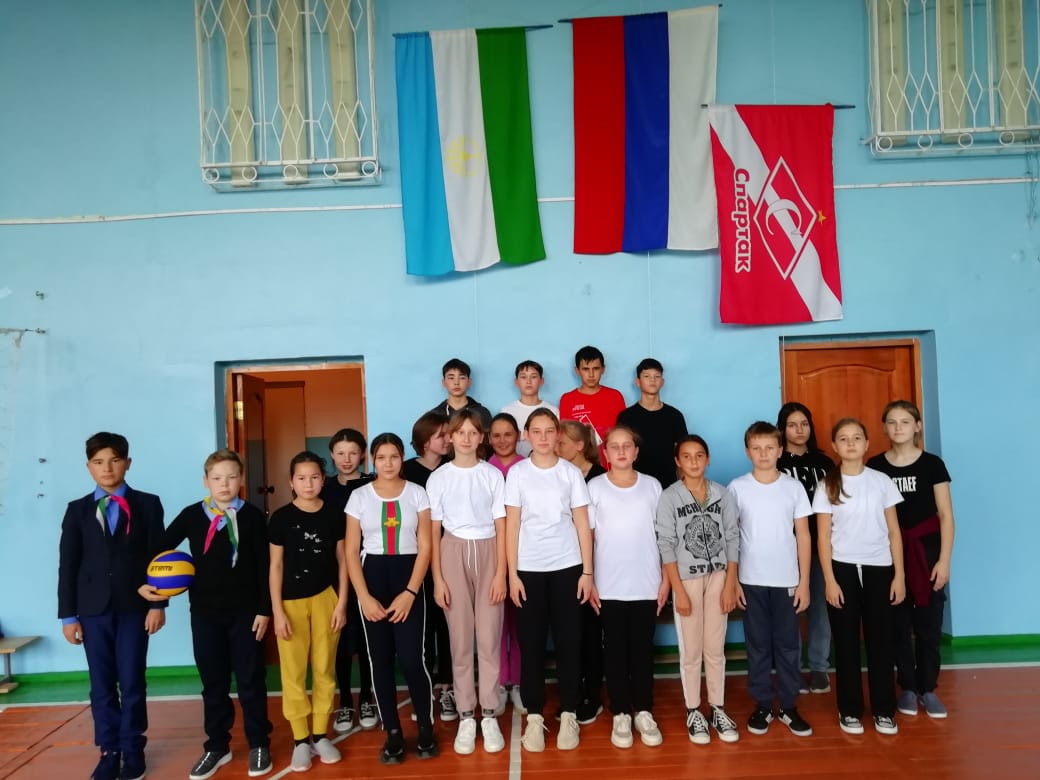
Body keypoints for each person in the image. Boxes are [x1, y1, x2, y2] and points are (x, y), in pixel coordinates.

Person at [139, 449, 272, 779]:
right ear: (206, 481)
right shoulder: (191, 515)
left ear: (241, 479)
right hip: (205, 614)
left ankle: (259, 742)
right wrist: (151, 585)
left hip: (246, 614)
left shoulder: (253, 517)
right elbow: (159, 550)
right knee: (213, 683)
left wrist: (264, 610)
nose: (224, 484)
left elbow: (264, 567)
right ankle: (217, 745)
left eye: (231, 477)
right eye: (217, 478)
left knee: (250, 680)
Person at [58, 432, 166, 780]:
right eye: (99, 462)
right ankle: (109, 750)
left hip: (135, 608)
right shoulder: (77, 510)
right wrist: (68, 616)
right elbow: (68, 565)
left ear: (127, 463)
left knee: (132, 681)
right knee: (101, 684)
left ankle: (133, 749)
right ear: (89, 467)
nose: (107, 468)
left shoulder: (148, 504)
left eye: (115, 460)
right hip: (92, 611)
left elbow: (159, 559)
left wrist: (159, 605)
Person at [345, 433, 437, 764]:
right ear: (372, 460)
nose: (388, 463)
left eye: (394, 457)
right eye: (381, 457)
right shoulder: (358, 496)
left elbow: (426, 546)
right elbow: (351, 552)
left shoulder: (417, 493)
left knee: (412, 659)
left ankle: (425, 726)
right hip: (372, 579)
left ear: (402, 458)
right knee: (380, 660)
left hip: (408, 577)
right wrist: (364, 597)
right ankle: (393, 732)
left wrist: (411, 592)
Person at [505, 408, 594, 753]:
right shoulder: (517, 474)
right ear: (527, 435)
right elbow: (512, 525)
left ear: (558, 434)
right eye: (536, 431)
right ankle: (535, 717)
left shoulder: (570, 473)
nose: (543, 437)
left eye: (549, 431)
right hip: (528, 570)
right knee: (531, 647)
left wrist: (587, 572)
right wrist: (512, 574)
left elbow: (582, 524)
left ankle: (569, 713)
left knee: (570, 643)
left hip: (568, 568)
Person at [813, 418, 905, 736]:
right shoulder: (827, 484)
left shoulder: (881, 482)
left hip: (880, 568)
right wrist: (829, 580)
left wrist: (899, 576)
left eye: (856, 438)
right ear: (835, 446)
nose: (850, 443)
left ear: (867, 444)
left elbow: (894, 532)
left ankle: (884, 710)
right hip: (842, 569)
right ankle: (850, 710)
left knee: (880, 641)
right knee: (846, 642)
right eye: (843, 438)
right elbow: (823, 537)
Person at [867, 401, 955, 719]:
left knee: (929, 624)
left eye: (905, 421)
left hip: (926, 553)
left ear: (917, 426)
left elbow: (945, 515)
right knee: (897, 624)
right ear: (884, 428)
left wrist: (943, 561)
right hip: (889, 553)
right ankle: (906, 686)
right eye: (892, 422)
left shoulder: (932, 464)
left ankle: (927, 688)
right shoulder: (875, 466)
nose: (898, 427)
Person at [427, 411, 508, 755]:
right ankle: (465, 715)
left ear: (481, 438)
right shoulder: (439, 478)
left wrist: (501, 573)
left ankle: (488, 712)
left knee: (488, 639)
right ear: (450, 437)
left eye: (472, 432)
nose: (465, 438)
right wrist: (438, 578)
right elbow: (433, 531)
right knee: (460, 640)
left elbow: (502, 525)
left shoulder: (492, 475)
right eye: (459, 432)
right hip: (453, 552)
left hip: (488, 551)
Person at [728, 422, 814, 738]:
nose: (763, 454)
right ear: (748, 452)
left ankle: (789, 706)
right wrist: (734, 581)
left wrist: (804, 582)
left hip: (787, 580)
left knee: (789, 645)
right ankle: (763, 704)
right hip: (751, 580)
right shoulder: (737, 488)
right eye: (756, 448)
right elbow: (731, 536)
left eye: (769, 448)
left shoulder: (793, 487)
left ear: (780, 450)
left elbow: (803, 535)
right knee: (758, 645)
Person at [656, 435, 740, 745]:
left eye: (699, 455)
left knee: (715, 649)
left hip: (718, 577)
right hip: (686, 580)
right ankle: (693, 710)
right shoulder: (669, 497)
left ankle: (717, 707)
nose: (693, 461)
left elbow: (732, 537)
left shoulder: (722, 494)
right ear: (677, 461)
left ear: (708, 459)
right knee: (691, 651)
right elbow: (666, 544)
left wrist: (730, 583)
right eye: (687, 456)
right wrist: (678, 590)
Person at [268, 452, 348, 772]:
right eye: (301, 478)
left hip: (326, 598)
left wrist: (341, 602)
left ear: (323, 480)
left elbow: (343, 560)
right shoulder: (281, 518)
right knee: (294, 672)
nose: (308, 484)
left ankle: (320, 734)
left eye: (314, 477)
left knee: (325, 668)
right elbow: (275, 566)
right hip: (290, 603)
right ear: (291, 482)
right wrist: (277, 611)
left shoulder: (334, 515)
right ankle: (301, 740)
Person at [588, 426, 666, 750]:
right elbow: (587, 537)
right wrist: (589, 578)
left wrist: (666, 579)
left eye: (627, 446)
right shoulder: (595, 487)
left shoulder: (652, 486)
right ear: (605, 452)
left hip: (646, 584)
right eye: (614, 446)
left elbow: (664, 536)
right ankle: (620, 712)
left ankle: (643, 710)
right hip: (608, 586)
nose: (621, 452)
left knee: (642, 650)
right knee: (615, 651)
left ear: (636, 451)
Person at [321, 429, 378, 735]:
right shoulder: (324, 488)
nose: (347, 459)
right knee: (340, 637)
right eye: (340, 453)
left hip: (369, 569)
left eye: (353, 452)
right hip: (333, 572)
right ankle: (345, 701)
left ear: (363, 454)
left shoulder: (373, 484)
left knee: (368, 636)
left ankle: (367, 697)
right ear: (332, 454)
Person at [776, 402, 835, 695]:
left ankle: (820, 668)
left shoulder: (825, 463)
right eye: (792, 425)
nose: (799, 430)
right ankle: (792, 669)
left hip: (821, 545)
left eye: (804, 424)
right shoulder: (776, 464)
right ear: (782, 429)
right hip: (788, 548)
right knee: (789, 612)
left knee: (820, 609)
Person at [401, 411, 455, 721]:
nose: (448, 440)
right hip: (417, 558)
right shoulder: (407, 471)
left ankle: (448, 687)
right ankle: (424, 691)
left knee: (448, 624)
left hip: (449, 556)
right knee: (422, 628)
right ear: (424, 441)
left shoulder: (453, 467)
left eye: (449, 434)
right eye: (441, 435)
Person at [557, 418, 605, 723]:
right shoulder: (560, 475)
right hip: (566, 563)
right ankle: (572, 692)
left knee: (591, 632)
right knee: (570, 632)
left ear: (579, 445)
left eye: (561, 443)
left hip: (597, 564)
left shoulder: (599, 479)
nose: (555, 447)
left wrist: (592, 568)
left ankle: (592, 694)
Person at [487, 413, 525, 714]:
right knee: (496, 624)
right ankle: (500, 683)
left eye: (508, 434)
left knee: (522, 624)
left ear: (519, 436)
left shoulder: (527, 468)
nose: (502, 440)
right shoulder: (483, 470)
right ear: (488, 439)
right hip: (492, 555)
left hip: (525, 555)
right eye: (496, 435)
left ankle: (521, 682)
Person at [616, 358, 688, 487]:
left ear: (662, 382)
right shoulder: (626, 417)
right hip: (635, 485)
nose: (652, 380)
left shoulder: (674, 416)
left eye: (657, 376)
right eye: (647, 376)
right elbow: (620, 453)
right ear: (638, 382)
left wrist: (683, 488)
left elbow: (683, 454)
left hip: (668, 485)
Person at [558, 345, 626, 466]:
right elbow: (565, 437)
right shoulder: (567, 399)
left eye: (596, 368)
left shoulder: (615, 396)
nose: (591, 374)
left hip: (612, 464)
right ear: (577, 371)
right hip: (580, 465)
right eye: (585, 369)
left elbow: (623, 432)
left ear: (603, 369)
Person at [500, 360, 559, 457]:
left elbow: (557, 442)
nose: (528, 381)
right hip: (515, 462)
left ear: (541, 381)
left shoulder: (553, 411)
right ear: (516, 382)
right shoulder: (507, 411)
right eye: (523, 377)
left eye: (533, 377)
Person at [425, 358, 492, 431]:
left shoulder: (482, 413)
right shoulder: (435, 415)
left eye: (462, 378)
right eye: (451, 378)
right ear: (443, 382)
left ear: (469, 382)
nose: (456, 383)